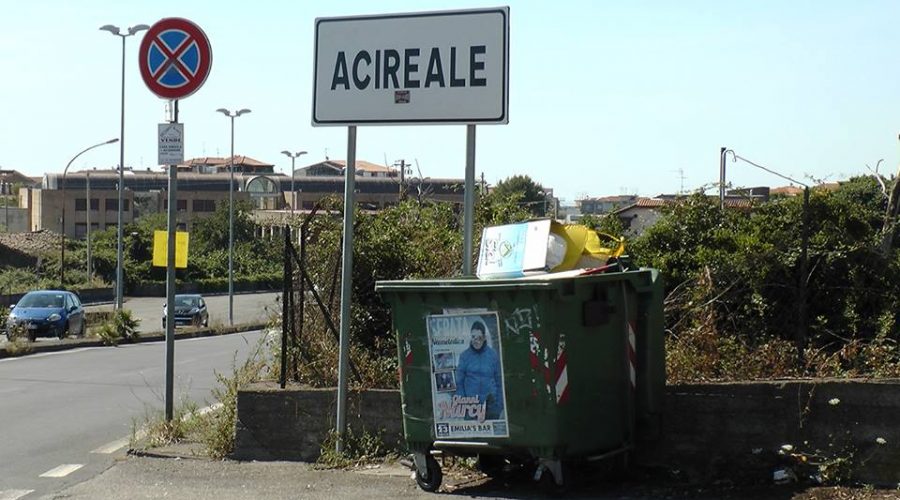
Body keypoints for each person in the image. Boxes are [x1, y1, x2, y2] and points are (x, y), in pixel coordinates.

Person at [455, 319, 504, 420]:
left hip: (491, 408)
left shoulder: (493, 355)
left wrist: (498, 405)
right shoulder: (464, 356)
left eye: (479, 337)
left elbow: (499, 381)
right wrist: (464, 404)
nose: (476, 340)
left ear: (485, 338)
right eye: (473, 337)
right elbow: (459, 382)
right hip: (471, 408)